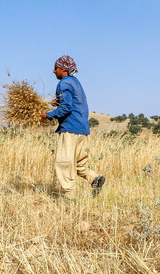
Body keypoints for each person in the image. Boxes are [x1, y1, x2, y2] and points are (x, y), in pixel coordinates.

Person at [40, 55, 105, 199]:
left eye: (55, 68)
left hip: (70, 129)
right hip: (83, 130)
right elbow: (73, 103)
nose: (53, 71)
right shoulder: (75, 82)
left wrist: (48, 115)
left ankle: (69, 197)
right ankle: (94, 178)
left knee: (63, 162)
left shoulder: (63, 83)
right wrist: (57, 101)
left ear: (63, 69)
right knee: (79, 164)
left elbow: (66, 108)